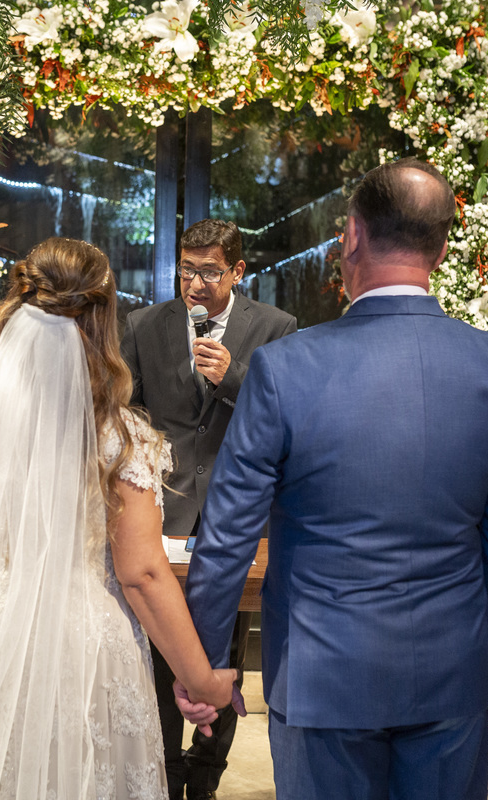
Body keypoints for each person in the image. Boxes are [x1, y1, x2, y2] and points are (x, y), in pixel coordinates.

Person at [177, 159, 488, 800]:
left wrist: (205, 663)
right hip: (452, 669)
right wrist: (464, 634)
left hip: (322, 668)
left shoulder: (284, 368)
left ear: (350, 237)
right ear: (441, 248)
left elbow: (229, 533)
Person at [0, 237, 239, 800]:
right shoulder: (119, 437)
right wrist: (201, 680)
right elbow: (143, 574)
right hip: (81, 646)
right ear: (102, 321)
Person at [120, 218, 296, 800]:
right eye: (187, 270)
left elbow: (287, 418)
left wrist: (234, 378)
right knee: (160, 649)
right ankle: (165, 772)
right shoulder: (144, 325)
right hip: (162, 513)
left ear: (237, 271)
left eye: (210, 272)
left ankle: (207, 776)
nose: (195, 284)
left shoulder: (275, 327)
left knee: (225, 649)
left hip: (237, 515)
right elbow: (127, 417)